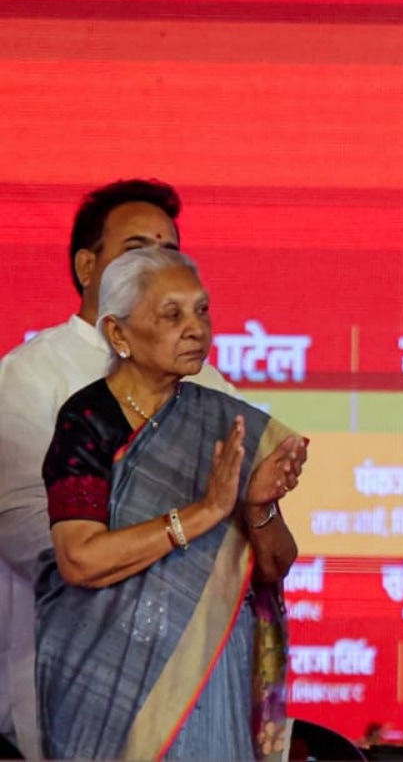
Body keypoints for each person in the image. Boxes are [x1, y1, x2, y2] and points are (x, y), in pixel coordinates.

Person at [33, 247, 305, 759]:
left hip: (207, 679)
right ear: (118, 334)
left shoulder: (225, 423)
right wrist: (201, 514)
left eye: (202, 310)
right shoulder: (87, 421)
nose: (196, 328)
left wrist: (256, 508)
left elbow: (274, 564)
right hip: (105, 686)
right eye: (172, 314)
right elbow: (79, 558)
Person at [0, 180, 236, 759]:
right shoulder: (32, 376)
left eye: (170, 251)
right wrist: (181, 529)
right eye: (137, 249)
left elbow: (242, 525)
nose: (157, 263)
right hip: (80, 669)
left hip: (193, 674)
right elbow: (32, 533)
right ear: (88, 266)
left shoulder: (208, 385)